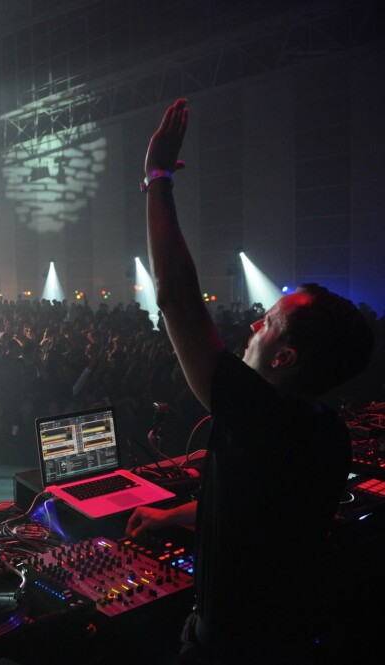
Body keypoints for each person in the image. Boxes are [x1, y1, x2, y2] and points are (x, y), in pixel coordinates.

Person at [125, 98, 373, 662]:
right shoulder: (326, 429)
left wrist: (156, 178)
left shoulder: (261, 416)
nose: (254, 325)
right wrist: (172, 515)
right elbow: (253, 513)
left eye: (269, 322)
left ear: (285, 357)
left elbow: (175, 296)